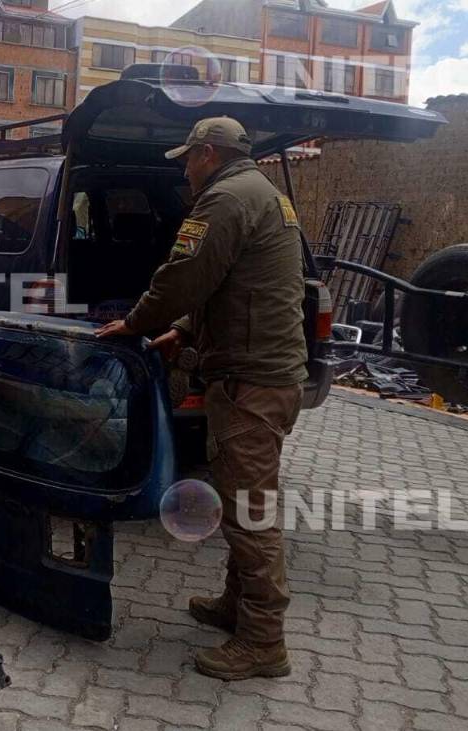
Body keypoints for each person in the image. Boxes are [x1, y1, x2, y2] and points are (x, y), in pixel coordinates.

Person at [96, 117, 307, 680]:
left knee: (250, 513)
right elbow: (237, 287)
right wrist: (186, 331)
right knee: (245, 500)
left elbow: (184, 276)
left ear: (208, 153)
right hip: (267, 376)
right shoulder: (265, 194)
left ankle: (264, 642)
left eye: (187, 159)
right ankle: (238, 606)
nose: (184, 170)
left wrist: (136, 323)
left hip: (251, 383)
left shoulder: (225, 199)